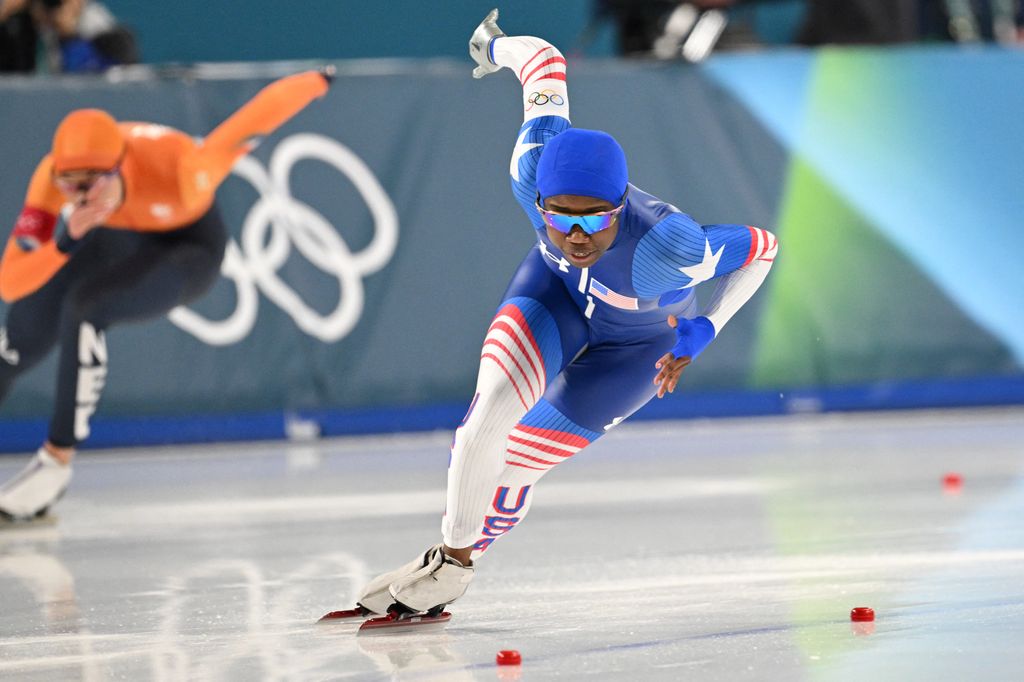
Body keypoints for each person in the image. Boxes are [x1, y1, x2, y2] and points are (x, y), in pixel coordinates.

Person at [350, 10, 779, 623]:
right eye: (560, 216)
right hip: (555, 296)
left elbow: (763, 249)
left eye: (596, 218)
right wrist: (493, 47)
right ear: (539, 200)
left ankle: (456, 561)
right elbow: (543, 62)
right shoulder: (530, 167)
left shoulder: (671, 248)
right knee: (484, 424)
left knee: (515, 463)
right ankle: (451, 561)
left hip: (636, 347)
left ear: (621, 205)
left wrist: (708, 325)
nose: (577, 235)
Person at [0, 68, 333, 522]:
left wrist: (318, 80)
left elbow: (256, 118)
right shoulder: (52, 179)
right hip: (107, 237)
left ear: (121, 167)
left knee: (85, 308)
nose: (78, 196)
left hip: (187, 249)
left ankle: (54, 464)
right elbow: (11, 282)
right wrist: (63, 242)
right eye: (68, 184)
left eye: (90, 183)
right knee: (14, 346)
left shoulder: (183, 167)